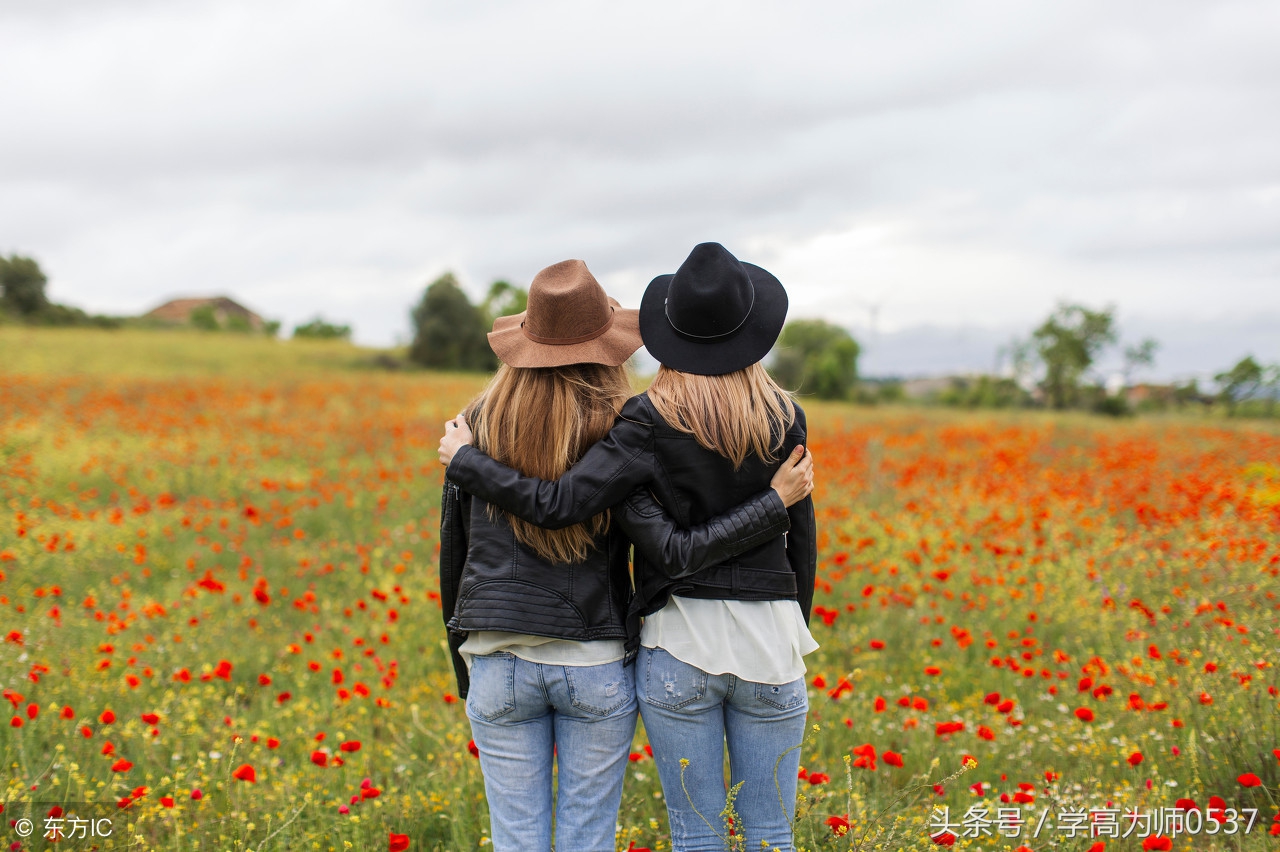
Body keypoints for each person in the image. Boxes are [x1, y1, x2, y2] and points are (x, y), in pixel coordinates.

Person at [439, 243, 818, 852]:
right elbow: (802, 547)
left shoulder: (620, 426)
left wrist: (466, 465)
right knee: (769, 833)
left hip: (645, 646)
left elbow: (517, 526)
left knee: (681, 835)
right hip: (731, 648)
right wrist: (789, 618)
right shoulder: (777, 416)